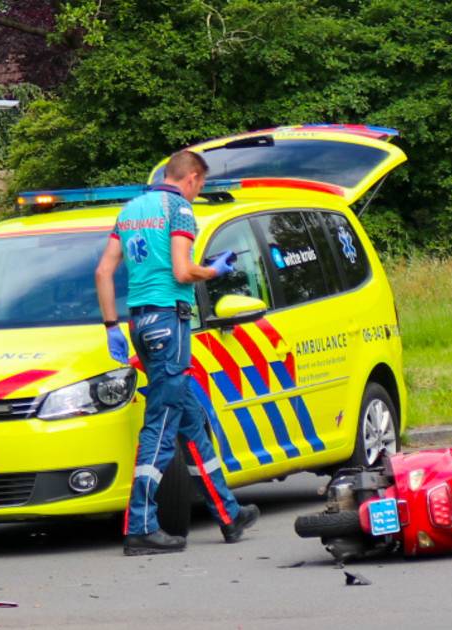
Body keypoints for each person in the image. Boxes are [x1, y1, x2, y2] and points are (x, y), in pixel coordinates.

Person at [95, 150, 260, 556]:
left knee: (189, 420)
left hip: (139, 323)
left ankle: (229, 514)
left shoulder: (131, 210)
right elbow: (183, 271)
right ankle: (141, 526)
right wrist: (215, 270)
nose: (198, 192)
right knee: (161, 426)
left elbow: (103, 272)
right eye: (200, 185)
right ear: (191, 178)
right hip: (170, 321)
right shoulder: (180, 210)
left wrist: (112, 325)